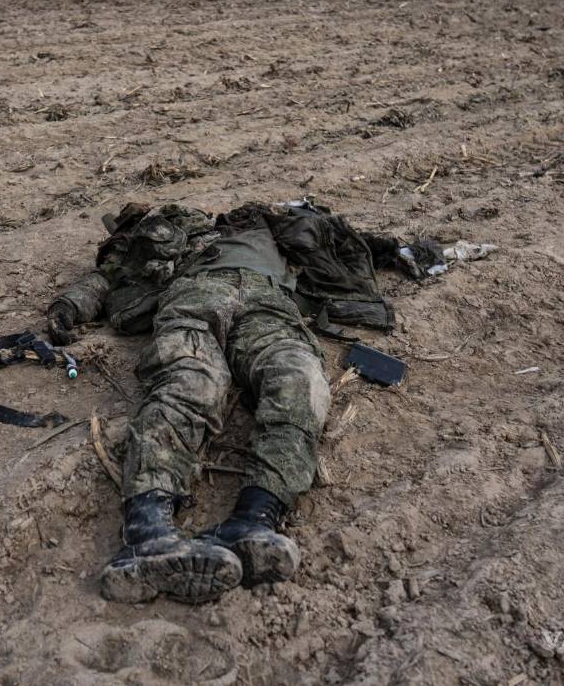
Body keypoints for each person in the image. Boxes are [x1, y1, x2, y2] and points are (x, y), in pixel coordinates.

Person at [46, 199, 445, 604]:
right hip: (192, 298)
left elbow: (346, 242)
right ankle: (147, 533)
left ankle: (254, 518)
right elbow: (111, 275)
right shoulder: (179, 238)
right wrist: (69, 307)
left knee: (299, 379)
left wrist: (402, 251)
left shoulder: (275, 232)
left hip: (269, 303)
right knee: (190, 382)